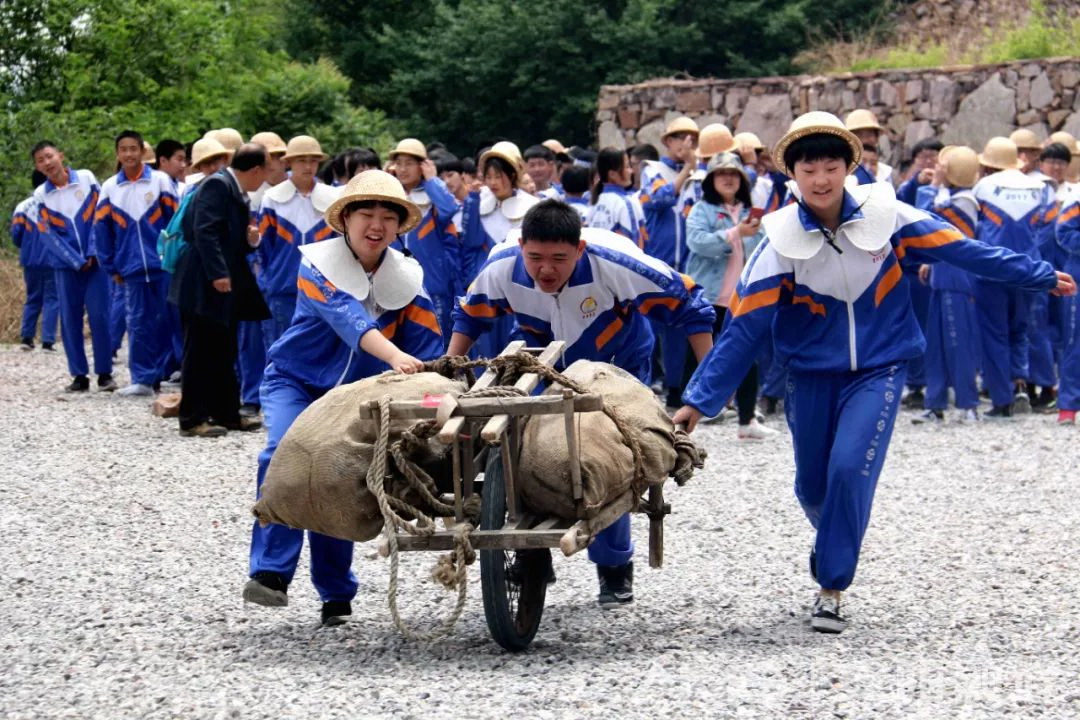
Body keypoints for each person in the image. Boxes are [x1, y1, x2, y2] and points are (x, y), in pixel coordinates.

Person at [673, 112, 1074, 634]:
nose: (821, 179)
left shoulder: (890, 217)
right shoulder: (779, 245)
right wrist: (698, 401)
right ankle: (833, 535)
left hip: (880, 371)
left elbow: (965, 251)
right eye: (809, 168)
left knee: (848, 471)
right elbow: (743, 332)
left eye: (831, 166)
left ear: (848, 168)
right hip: (810, 376)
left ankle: (832, 588)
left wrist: (1038, 275)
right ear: (792, 175)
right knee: (812, 488)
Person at [448, 201, 716, 607]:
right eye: (535, 257)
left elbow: (691, 306)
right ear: (521, 246)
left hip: (617, 363)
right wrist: (451, 378)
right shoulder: (501, 267)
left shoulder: (617, 263)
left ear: (580, 248)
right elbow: (469, 316)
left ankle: (613, 566)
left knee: (607, 457)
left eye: (559, 258)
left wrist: (704, 387)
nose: (546, 269)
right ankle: (529, 551)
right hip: (545, 364)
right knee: (519, 445)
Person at [244, 170, 443, 626]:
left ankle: (335, 592)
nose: (377, 224)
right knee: (283, 454)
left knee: (339, 471)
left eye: (388, 217)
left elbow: (429, 346)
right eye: (366, 213)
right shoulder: (316, 264)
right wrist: (396, 357)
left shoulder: (407, 277)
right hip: (295, 382)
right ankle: (271, 573)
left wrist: (440, 397)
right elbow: (350, 320)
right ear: (345, 219)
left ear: (399, 226)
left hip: (358, 395)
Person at [168, 144, 271, 437]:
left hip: (221, 284)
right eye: (264, 172)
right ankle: (192, 418)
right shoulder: (218, 184)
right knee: (199, 351)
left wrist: (249, 239)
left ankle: (226, 413)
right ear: (255, 170)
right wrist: (218, 273)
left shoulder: (233, 187)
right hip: (202, 283)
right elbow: (205, 230)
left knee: (223, 349)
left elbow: (226, 234)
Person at [685, 151, 775, 439]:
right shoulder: (701, 209)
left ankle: (747, 419)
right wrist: (736, 232)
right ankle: (689, 415)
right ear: (711, 179)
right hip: (709, 295)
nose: (728, 178)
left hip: (742, 296)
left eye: (734, 173)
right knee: (699, 355)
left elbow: (763, 247)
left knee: (747, 355)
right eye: (721, 173)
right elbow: (698, 243)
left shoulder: (751, 211)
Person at [972, 136, 1054, 418]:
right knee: (1021, 330)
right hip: (1029, 270)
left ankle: (1001, 399)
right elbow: (1044, 227)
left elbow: (974, 225)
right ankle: (1021, 382)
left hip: (992, 269)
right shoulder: (1041, 187)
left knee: (994, 334)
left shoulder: (982, 188)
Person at [94, 130, 180, 396]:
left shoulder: (161, 181)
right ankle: (143, 379)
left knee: (170, 318)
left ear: (143, 151)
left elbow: (176, 221)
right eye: (123, 149)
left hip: (163, 265)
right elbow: (101, 230)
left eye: (134, 148)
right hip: (130, 268)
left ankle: (171, 372)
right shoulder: (110, 188)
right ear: (117, 153)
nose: (129, 154)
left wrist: (175, 257)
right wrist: (111, 266)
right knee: (138, 322)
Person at [30, 141, 116, 392]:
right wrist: (75, 260)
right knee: (70, 320)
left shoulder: (87, 179)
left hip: (95, 263)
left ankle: (105, 373)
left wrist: (91, 251)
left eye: (49, 156)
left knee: (100, 316)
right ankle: (79, 375)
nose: (47, 163)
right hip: (65, 268)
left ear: (60, 155)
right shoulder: (41, 195)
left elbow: (100, 215)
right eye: (40, 160)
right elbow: (48, 236)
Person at [912, 145, 982, 424]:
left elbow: (928, 220)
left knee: (958, 342)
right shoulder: (950, 197)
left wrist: (935, 186)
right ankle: (935, 401)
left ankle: (968, 403)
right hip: (942, 276)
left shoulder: (964, 200)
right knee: (937, 344)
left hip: (956, 279)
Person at [255, 135, 338, 349]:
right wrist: (271, 278)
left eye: (313, 160)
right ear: (288, 162)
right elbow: (264, 248)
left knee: (317, 348)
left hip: (323, 288)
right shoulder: (272, 198)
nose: (308, 166)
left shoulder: (332, 197)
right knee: (280, 347)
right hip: (282, 287)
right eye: (301, 160)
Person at [639, 116, 699, 406]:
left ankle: (676, 389)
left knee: (678, 329)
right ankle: (644, 386)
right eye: (680, 138)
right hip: (656, 261)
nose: (686, 144)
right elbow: (659, 200)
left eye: (692, 139)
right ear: (668, 142)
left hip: (686, 263)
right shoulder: (652, 170)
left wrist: (693, 170)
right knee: (648, 329)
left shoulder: (700, 175)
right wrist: (687, 168)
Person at [385, 138, 461, 339]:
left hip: (432, 280)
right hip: (394, 277)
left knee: (437, 336)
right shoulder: (392, 194)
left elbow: (450, 208)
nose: (402, 169)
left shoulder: (432, 195)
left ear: (422, 166)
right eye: (398, 163)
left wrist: (432, 180)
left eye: (409, 163)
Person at [11, 172, 60, 353]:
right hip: (53, 259)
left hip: (30, 260)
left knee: (32, 298)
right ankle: (47, 341)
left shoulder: (22, 206)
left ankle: (27, 337)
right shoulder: (56, 204)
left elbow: (16, 235)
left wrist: (27, 247)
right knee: (52, 299)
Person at [586, 148, 647, 248]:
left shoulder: (594, 203)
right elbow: (634, 248)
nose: (631, 171)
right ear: (612, 174)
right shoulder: (626, 203)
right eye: (627, 167)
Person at [1055, 185, 1080, 424]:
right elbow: (1063, 234)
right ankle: (1068, 406)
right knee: (1075, 343)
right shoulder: (1076, 197)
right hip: (1079, 280)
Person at [845, 109, 892, 185]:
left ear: (877, 138)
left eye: (869, 135)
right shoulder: (840, 171)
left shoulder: (886, 172)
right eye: (859, 135)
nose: (865, 140)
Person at [896, 138, 943, 206]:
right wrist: (917, 182)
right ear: (914, 161)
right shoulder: (907, 185)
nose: (928, 161)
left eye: (933, 156)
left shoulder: (951, 182)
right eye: (923, 157)